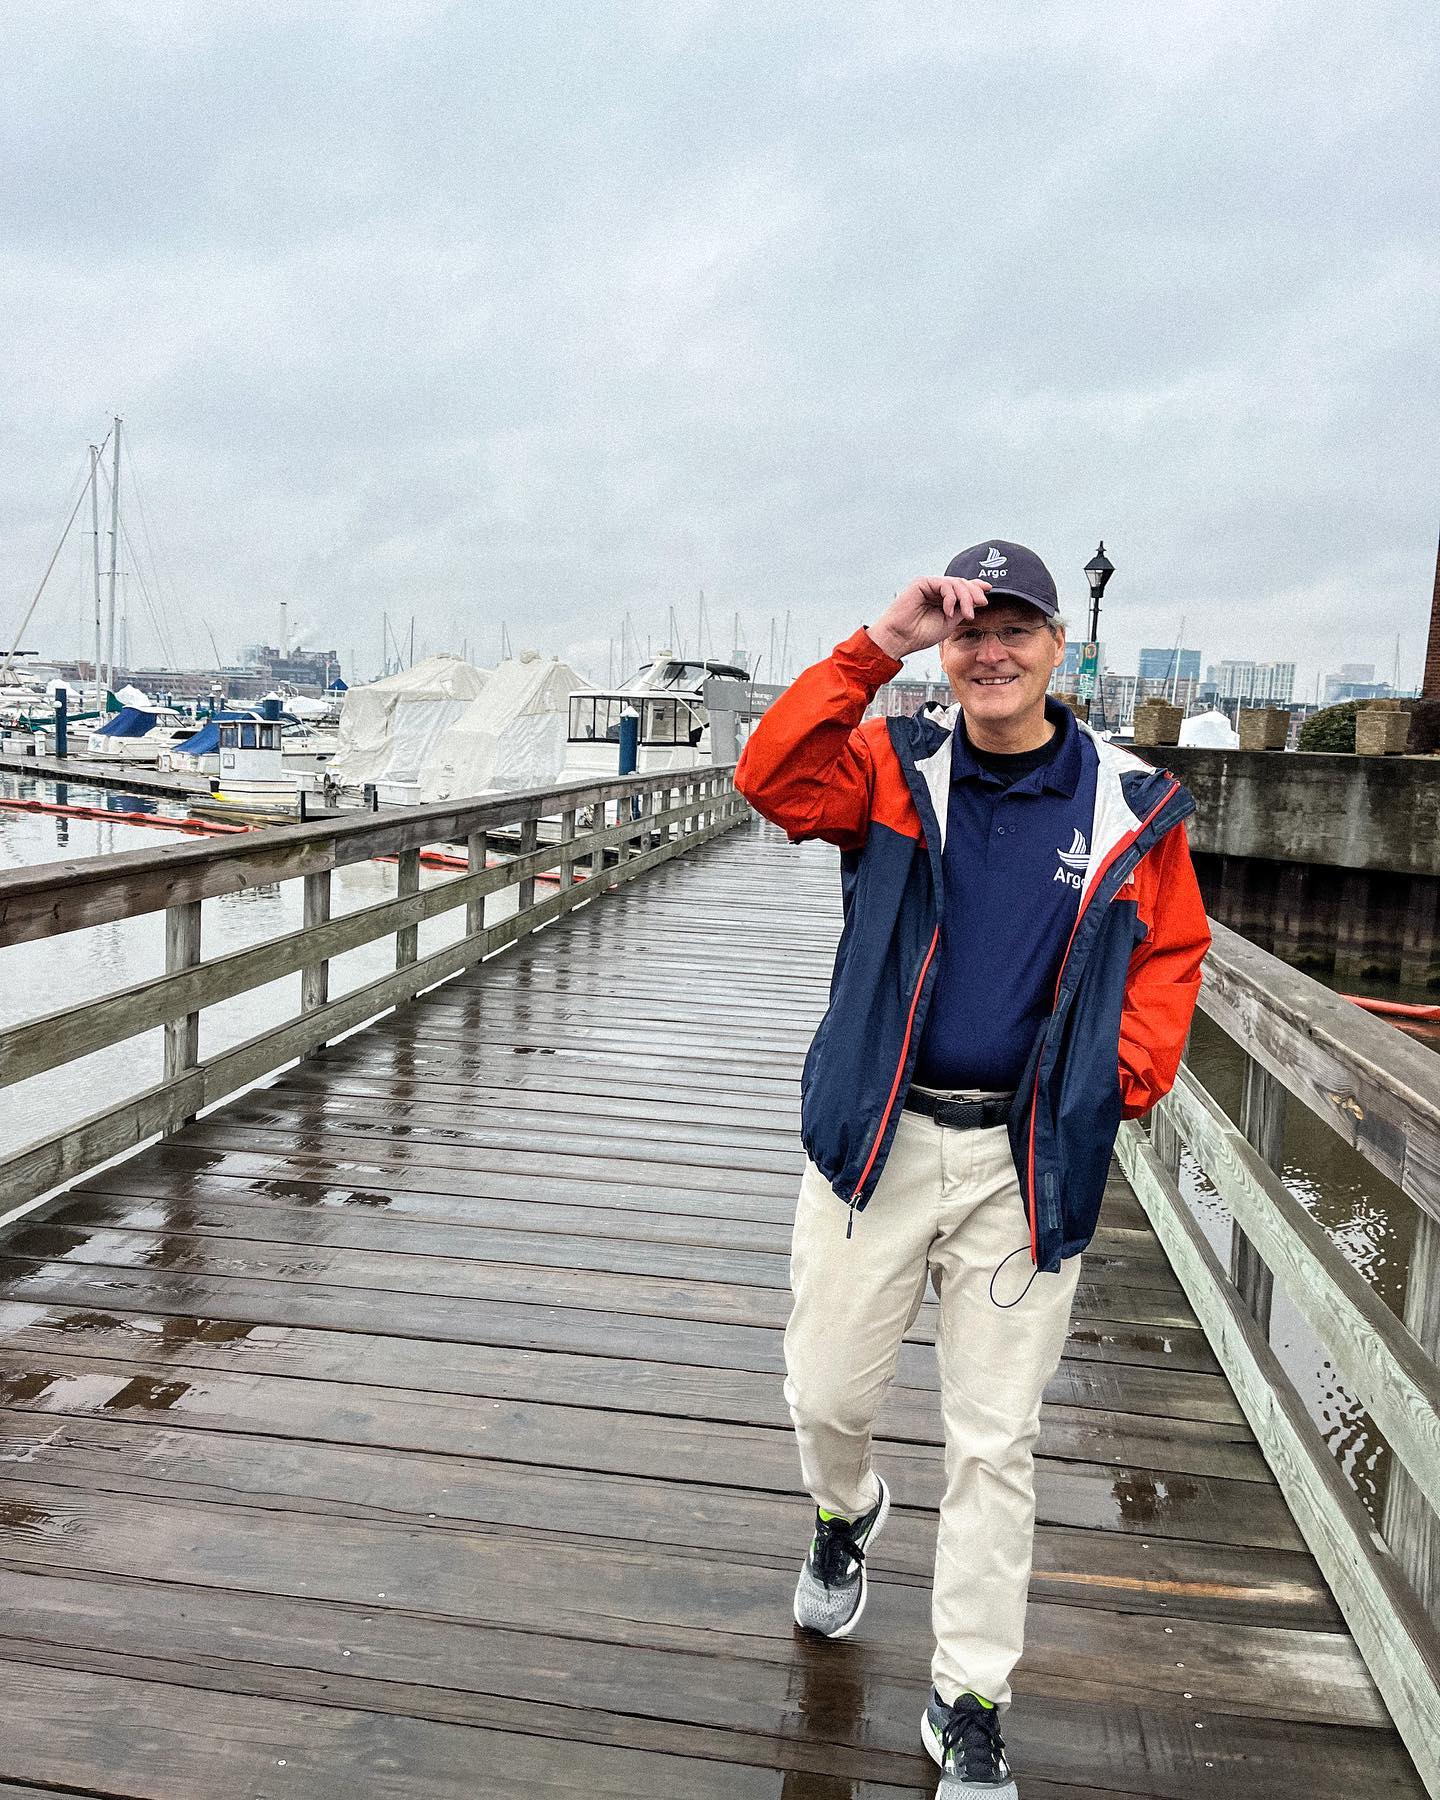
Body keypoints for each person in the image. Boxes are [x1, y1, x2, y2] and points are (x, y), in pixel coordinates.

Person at [734, 540, 1210, 1799]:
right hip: (876, 1141)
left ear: (1060, 649)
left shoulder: (1127, 801)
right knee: (825, 1394)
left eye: (1016, 628)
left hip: (1022, 1160)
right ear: (945, 653)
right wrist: (877, 642)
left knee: (996, 1440)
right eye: (967, 631)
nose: (989, 651)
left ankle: (971, 1697)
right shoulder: (896, 767)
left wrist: (1125, 1081)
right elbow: (768, 776)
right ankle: (844, 1514)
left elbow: (1174, 953)